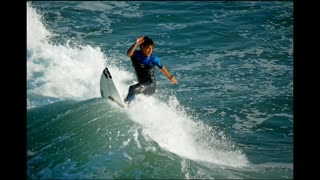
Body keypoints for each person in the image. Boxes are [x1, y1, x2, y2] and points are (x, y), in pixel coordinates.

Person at [124, 35, 177, 104]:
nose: (150, 51)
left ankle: (126, 103)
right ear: (142, 47)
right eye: (148, 48)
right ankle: (128, 103)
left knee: (133, 88)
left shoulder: (153, 58)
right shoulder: (135, 54)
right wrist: (136, 44)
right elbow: (128, 54)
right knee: (134, 90)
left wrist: (170, 77)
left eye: (152, 49)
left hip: (151, 86)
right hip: (142, 84)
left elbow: (162, 68)